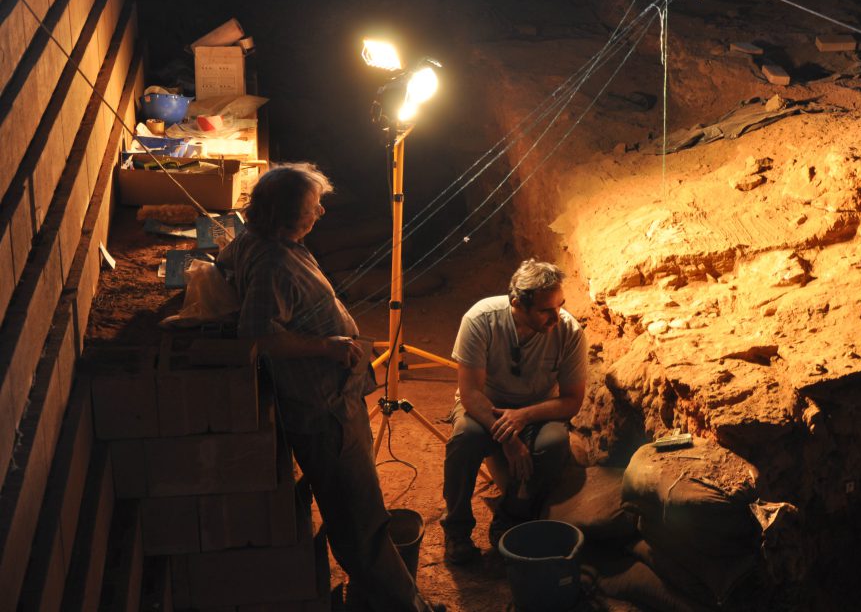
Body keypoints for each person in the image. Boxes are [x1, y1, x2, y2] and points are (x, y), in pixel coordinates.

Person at [216, 163, 440, 612]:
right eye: (310, 206)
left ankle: (372, 595)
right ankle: (402, 606)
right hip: (324, 409)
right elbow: (256, 336)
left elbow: (223, 266)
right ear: (283, 216)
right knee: (361, 517)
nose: (320, 210)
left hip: (334, 397)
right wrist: (326, 346)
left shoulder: (262, 242)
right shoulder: (272, 263)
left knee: (357, 510)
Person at [441, 259, 587, 565]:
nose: (556, 317)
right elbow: (470, 393)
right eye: (546, 310)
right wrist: (508, 438)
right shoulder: (481, 320)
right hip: (485, 405)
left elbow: (572, 400)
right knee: (464, 440)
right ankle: (456, 529)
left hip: (536, 408)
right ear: (517, 304)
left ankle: (512, 513)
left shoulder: (569, 332)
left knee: (553, 445)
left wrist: (524, 417)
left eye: (560, 305)